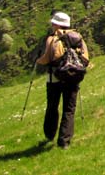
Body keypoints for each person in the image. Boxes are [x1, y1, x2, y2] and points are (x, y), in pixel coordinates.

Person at [36, 11, 89, 149]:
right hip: (73, 78)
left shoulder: (52, 39)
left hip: (55, 77)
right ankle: (64, 141)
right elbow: (85, 58)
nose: (52, 25)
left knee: (52, 106)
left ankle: (49, 134)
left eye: (54, 23)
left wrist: (38, 60)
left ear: (57, 25)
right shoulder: (78, 38)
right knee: (69, 109)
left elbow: (46, 59)